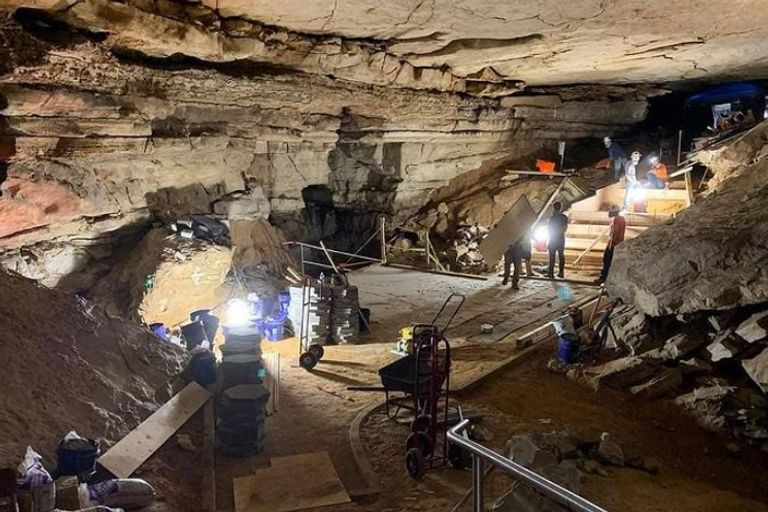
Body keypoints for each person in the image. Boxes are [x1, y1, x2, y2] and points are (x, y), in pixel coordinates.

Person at [596, 205, 626, 284]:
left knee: (607, 260)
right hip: (618, 244)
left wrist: (610, 246)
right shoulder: (622, 219)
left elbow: (615, 233)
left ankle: (604, 278)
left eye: (610, 212)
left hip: (613, 245)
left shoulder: (616, 219)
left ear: (613, 212)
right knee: (611, 262)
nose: (608, 213)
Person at [546, 201, 568, 279]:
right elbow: (565, 228)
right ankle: (561, 273)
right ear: (560, 208)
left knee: (552, 256)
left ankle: (550, 273)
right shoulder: (564, 217)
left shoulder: (552, 218)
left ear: (554, 208)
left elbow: (550, 229)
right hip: (561, 238)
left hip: (553, 239)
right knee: (561, 255)